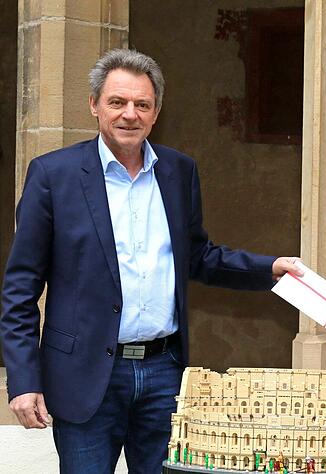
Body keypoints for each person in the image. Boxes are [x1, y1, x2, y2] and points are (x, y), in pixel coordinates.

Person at [0, 48, 301, 473]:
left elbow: (197, 255)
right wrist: (24, 380)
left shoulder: (178, 172)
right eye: (117, 102)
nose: (129, 114)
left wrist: (268, 269)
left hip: (164, 374)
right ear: (94, 106)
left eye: (142, 104)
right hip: (84, 376)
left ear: (156, 112)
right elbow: (20, 288)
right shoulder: (53, 176)